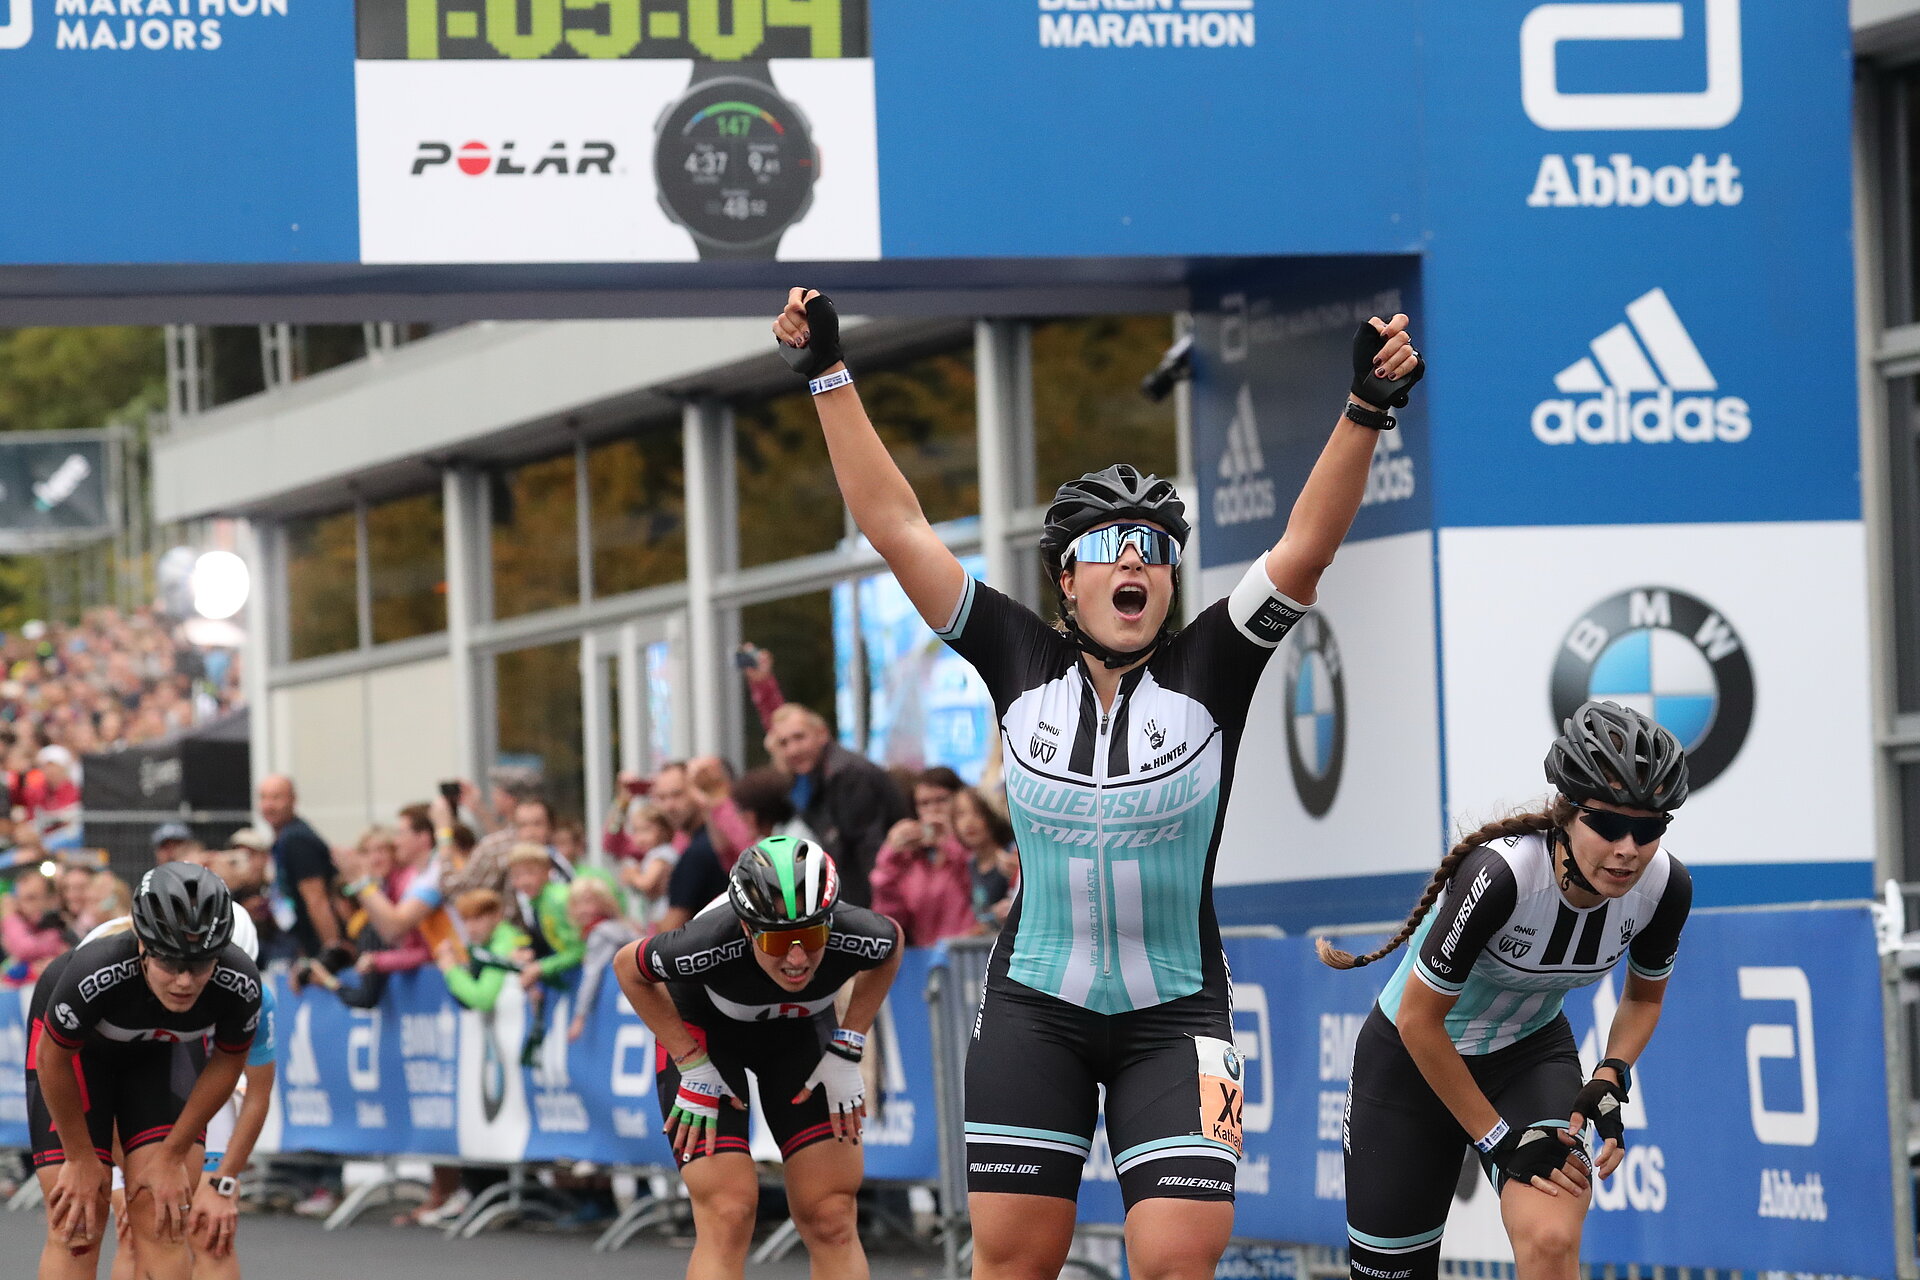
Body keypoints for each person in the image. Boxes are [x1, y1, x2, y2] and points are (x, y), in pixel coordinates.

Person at [773, 285, 1422, 1280]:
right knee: (1015, 1263)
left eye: (1155, 552)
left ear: (1170, 580)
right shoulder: (1015, 656)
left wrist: (1365, 410)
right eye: (1108, 552)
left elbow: (1306, 545)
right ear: (1063, 583)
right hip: (1035, 1009)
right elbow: (897, 526)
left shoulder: (1214, 662)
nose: (1136, 565)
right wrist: (828, 373)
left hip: (1178, 1015)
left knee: (1175, 1260)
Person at [1322, 702, 1693, 1280]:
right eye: (1607, 825)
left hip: (1527, 1054)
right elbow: (1421, 1022)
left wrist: (1610, 1072)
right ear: (1567, 814)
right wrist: (1497, 1140)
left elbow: (1643, 999)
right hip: (1410, 1062)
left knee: (1550, 1239)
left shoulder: (1665, 887)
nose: (1628, 849)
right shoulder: (1502, 878)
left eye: (1648, 829)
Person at [614, 836, 902, 1280]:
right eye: (778, 942)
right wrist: (690, 1061)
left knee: (832, 1216)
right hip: (708, 1039)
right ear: (747, 929)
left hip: (798, 1037)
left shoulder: (856, 930)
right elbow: (627, 967)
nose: (796, 958)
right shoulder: (707, 941)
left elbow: (892, 944)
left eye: (810, 935)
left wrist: (848, 1044)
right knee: (728, 1214)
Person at [27, 863, 262, 1280]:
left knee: (162, 1217)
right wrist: (81, 1158)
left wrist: (173, 1154)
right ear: (142, 946)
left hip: (160, 1055)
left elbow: (230, 1062)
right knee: (77, 1223)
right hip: (77, 1060)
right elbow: (53, 1061)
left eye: (201, 964)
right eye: (171, 964)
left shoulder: (238, 980)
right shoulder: (93, 972)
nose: (186, 982)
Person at [764, 703, 906, 908]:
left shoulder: (848, 775)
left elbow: (868, 848)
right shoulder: (811, 777)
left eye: (799, 737)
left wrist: (868, 914)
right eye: (783, 744)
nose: (792, 750)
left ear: (821, 734)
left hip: (878, 895)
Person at [869, 767, 976, 946]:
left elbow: (977, 886)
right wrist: (890, 856)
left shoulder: (972, 847)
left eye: (942, 800)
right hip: (925, 958)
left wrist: (950, 841)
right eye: (924, 804)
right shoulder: (912, 859)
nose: (933, 810)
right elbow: (888, 919)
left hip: (970, 952)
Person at [257, 775, 343, 964]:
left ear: (293, 800)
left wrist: (333, 953)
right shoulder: (283, 839)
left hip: (322, 947)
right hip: (303, 943)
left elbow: (317, 901)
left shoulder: (297, 840)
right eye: (264, 798)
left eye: (276, 797)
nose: (269, 805)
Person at [653, 763, 727, 933]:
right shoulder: (693, 845)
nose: (669, 806)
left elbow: (668, 934)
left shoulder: (700, 850)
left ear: (697, 792)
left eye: (677, 795)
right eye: (662, 798)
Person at [435, 889, 531, 1014]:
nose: (471, 928)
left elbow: (483, 999)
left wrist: (451, 969)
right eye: (465, 920)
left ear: (496, 916)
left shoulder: (505, 943)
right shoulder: (484, 944)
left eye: (477, 919)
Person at [567, 877, 639, 1041]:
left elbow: (592, 974)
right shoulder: (619, 927)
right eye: (577, 903)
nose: (583, 909)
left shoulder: (601, 933)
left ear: (605, 903)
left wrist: (579, 1017)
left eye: (589, 902)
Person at [951, 786, 1016, 931]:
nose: (969, 822)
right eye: (960, 815)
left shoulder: (1011, 856)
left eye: (978, 813)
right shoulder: (969, 865)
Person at [4, 870, 72, 982]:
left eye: (32, 898)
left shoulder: (60, 925)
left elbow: (24, 948)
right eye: (21, 900)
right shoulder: (27, 927)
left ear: (51, 899)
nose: (24, 906)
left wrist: (10, 918)